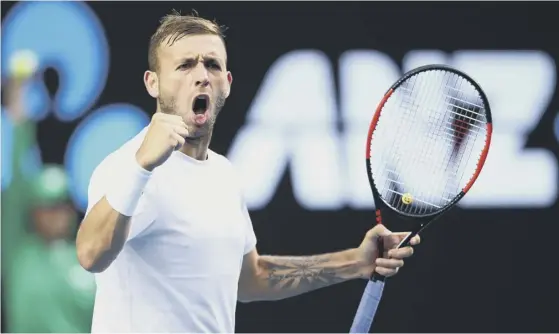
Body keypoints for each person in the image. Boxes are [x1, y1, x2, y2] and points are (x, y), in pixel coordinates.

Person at [76, 10, 421, 333]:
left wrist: (354, 262)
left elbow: (250, 278)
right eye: (184, 66)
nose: (201, 76)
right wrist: (142, 165)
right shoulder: (127, 166)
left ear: (226, 82)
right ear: (153, 83)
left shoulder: (223, 174)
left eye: (211, 65)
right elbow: (91, 254)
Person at [2, 50, 96, 333]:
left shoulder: (90, 260)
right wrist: (17, 95)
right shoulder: (17, 249)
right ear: (33, 212)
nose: (56, 214)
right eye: (47, 206)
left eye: (61, 205)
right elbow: (18, 168)